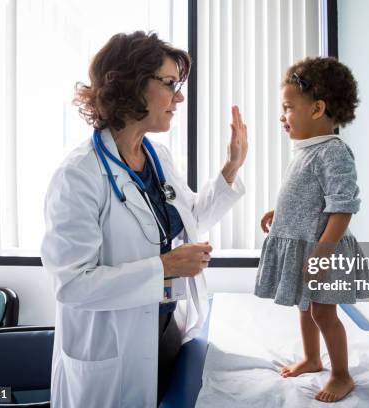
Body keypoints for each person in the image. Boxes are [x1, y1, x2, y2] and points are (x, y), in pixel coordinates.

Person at [41, 31, 248, 407]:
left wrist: (230, 169)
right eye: (170, 84)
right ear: (131, 85)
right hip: (113, 351)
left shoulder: (157, 156)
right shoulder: (79, 175)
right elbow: (71, 284)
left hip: (165, 329)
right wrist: (164, 267)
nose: (179, 97)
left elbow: (190, 218)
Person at [254, 57, 369, 402]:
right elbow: (312, 196)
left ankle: (341, 374)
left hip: (326, 247)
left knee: (323, 311)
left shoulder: (334, 152)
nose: (282, 115)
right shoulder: (308, 149)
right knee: (304, 305)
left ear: (318, 108)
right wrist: (280, 212)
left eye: (288, 107)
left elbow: (343, 206)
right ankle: (311, 357)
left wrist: (323, 252)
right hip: (308, 243)